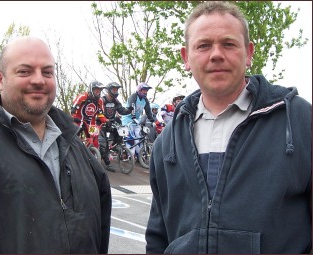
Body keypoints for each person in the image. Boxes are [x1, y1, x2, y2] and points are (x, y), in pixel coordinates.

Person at [146, 2, 311, 254]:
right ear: (185, 57)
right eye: (203, 45)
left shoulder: (299, 120)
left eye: (228, 43)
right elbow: (158, 238)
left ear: (249, 52)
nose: (216, 54)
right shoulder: (167, 142)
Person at [0, 36, 112, 254]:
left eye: (47, 72)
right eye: (25, 71)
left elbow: (99, 231)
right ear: (0, 79)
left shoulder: (78, 148)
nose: (39, 80)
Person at [98, 81, 133, 172]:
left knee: (120, 136)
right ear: (109, 90)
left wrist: (129, 110)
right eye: (114, 89)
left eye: (117, 89)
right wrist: (105, 120)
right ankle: (108, 164)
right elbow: (99, 113)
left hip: (111, 122)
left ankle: (113, 147)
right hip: (101, 124)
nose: (116, 91)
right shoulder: (102, 100)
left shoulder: (116, 101)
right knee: (103, 144)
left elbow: (121, 111)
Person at [121, 82, 154, 156]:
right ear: (139, 90)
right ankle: (130, 155)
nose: (145, 92)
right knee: (131, 138)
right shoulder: (133, 96)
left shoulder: (145, 100)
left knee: (139, 138)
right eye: (144, 90)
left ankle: (139, 155)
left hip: (136, 121)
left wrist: (152, 120)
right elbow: (131, 107)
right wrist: (133, 116)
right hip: (128, 120)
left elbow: (148, 110)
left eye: (146, 90)